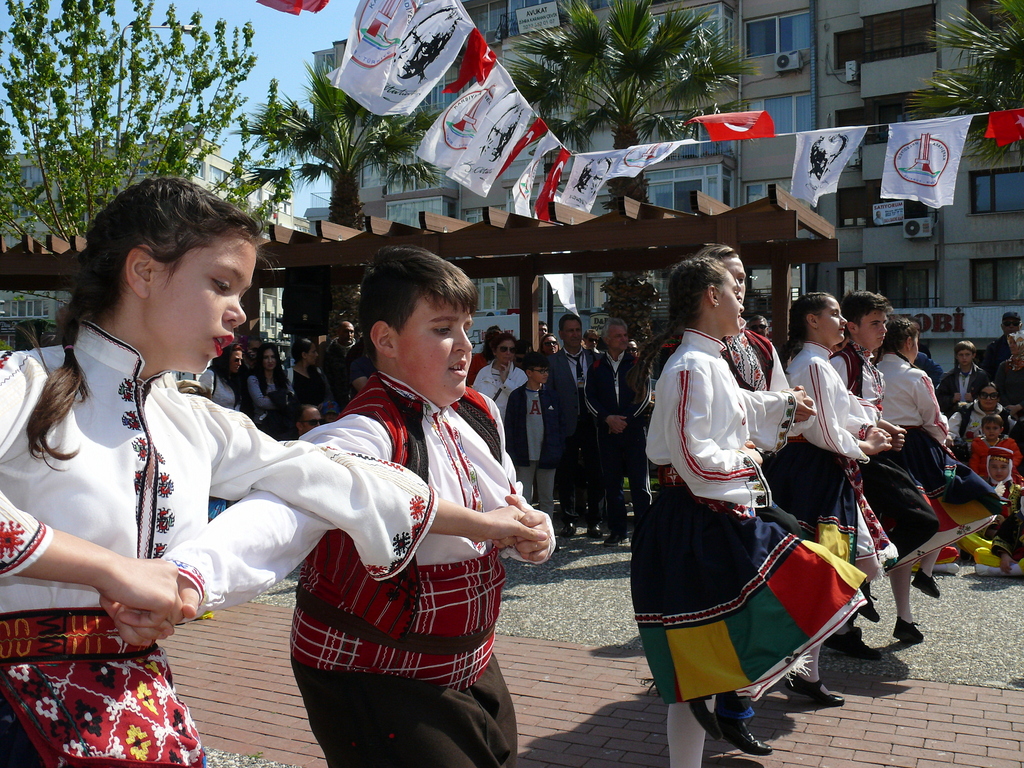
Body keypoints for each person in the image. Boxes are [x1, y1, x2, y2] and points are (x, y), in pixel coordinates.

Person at [0, 178, 542, 768]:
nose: (240, 311)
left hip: (140, 710)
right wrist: (114, 572)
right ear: (144, 273)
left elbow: (327, 478)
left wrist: (491, 526)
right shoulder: (21, 385)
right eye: (221, 284)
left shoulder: (192, 418)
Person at [172, 245, 554, 768]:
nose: (465, 347)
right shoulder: (363, 432)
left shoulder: (479, 411)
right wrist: (190, 575)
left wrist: (533, 530)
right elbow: (285, 509)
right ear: (386, 340)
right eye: (443, 328)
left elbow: (509, 503)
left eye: (466, 327)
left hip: (467, 658)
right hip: (376, 669)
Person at [629, 256, 864, 768]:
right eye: (735, 292)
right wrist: (748, 458)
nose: (743, 301)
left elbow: (741, 406)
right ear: (711, 297)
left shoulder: (708, 359)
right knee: (700, 669)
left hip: (713, 515)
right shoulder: (692, 364)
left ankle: (738, 704)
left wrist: (783, 407)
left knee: (712, 664)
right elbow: (693, 458)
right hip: (698, 522)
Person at [765, 292, 894, 700]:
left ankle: (799, 664)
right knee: (826, 570)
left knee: (837, 569)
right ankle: (799, 669)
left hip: (818, 470)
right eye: (835, 314)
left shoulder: (816, 361)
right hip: (814, 472)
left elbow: (843, 411)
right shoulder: (814, 362)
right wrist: (866, 446)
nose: (842, 321)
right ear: (811, 319)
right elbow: (823, 427)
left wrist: (870, 427)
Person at [827, 290, 937, 659]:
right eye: (875, 323)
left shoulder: (866, 362)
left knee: (888, 528)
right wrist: (876, 435)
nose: (882, 329)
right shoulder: (842, 362)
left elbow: (863, 409)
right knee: (922, 520)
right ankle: (860, 587)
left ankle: (863, 594)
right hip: (858, 459)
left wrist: (887, 426)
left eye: (883, 323)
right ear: (851, 326)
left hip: (876, 453)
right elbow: (837, 412)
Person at [876, 317, 1001, 641]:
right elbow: (933, 419)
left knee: (904, 528)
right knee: (946, 508)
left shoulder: (871, 374)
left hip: (880, 453)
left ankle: (906, 613)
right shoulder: (915, 376)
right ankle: (924, 576)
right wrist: (943, 439)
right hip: (917, 449)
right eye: (916, 342)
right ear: (908, 343)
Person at [585, 318, 651, 547]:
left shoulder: (637, 364)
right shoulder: (595, 367)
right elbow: (589, 397)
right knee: (612, 484)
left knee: (640, 484)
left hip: (633, 432)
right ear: (606, 340)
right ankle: (617, 531)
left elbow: (644, 396)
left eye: (625, 335)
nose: (624, 339)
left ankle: (644, 532)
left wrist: (625, 420)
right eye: (619, 336)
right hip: (608, 433)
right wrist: (608, 419)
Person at [548, 314, 603, 538]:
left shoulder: (595, 358)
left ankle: (595, 521)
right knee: (567, 474)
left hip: (593, 423)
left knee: (596, 473)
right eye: (569, 330)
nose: (574, 334)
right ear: (561, 334)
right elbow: (550, 395)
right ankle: (569, 520)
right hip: (567, 425)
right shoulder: (552, 362)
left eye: (577, 330)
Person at [505, 351, 566, 522]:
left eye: (547, 370)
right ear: (529, 372)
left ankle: (548, 535)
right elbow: (509, 427)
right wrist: (512, 454)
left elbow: (561, 426)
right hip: (524, 456)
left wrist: (558, 449)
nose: (545, 374)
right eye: (541, 371)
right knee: (524, 499)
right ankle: (525, 534)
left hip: (548, 454)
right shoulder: (517, 397)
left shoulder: (552, 396)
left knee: (547, 498)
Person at [949, 382, 1014, 460]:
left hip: (997, 460)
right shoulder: (965, 413)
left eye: (993, 396)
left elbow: (1015, 438)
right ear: (978, 397)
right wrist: (949, 437)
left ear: (998, 398)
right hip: (967, 457)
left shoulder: (1005, 416)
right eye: (984, 395)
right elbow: (950, 432)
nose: (988, 399)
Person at [248, 342, 298, 440]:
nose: (270, 361)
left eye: (273, 357)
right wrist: (282, 399)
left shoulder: (283, 378)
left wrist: (271, 397)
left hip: (283, 426)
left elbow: (292, 399)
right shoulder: (253, 379)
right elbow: (261, 402)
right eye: (266, 357)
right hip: (262, 426)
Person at [473, 331, 527, 420]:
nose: (508, 353)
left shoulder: (520, 375)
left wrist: (506, 382)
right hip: (487, 424)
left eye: (512, 350)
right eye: (503, 349)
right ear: (494, 351)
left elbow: (522, 401)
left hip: (510, 426)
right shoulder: (483, 373)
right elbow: (475, 399)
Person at [936, 340, 989, 416]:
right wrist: (952, 399)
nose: (964, 358)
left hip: (976, 414)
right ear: (956, 356)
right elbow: (939, 399)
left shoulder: (981, 376)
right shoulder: (949, 376)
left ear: (973, 355)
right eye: (961, 355)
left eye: (967, 354)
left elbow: (988, 396)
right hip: (953, 414)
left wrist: (974, 399)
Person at [199, 341, 245, 410]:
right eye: (236, 360)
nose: (239, 364)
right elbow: (200, 403)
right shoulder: (210, 375)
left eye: (241, 360)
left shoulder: (234, 379)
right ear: (226, 359)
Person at [289, 337, 331, 409]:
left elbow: (328, 394)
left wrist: (324, 403)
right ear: (304, 355)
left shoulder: (318, 372)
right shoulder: (289, 375)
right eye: (313, 352)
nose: (316, 355)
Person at [322, 319, 357, 407]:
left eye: (351, 332)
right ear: (338, 332)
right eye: (346, 331)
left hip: (356, 398)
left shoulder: (358, 352)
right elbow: (328, 377)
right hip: (337, 400)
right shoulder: (330, 352)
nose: (349, 335)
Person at [982, 311, 1021, 379]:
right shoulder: (993, 347)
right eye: (1007, 323)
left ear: (1020, 326)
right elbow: (986, 372)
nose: (1011, 326)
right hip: (1001, 387)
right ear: (1002, 326)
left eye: (1015, 323)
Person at [994, 332, 1024, 421]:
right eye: (1010, 343)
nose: (1011, 346)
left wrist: (1019, 407)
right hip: (1008, 415)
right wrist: (1009, 409)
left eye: (1015, 343)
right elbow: (999, 389)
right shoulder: (1005, 366)